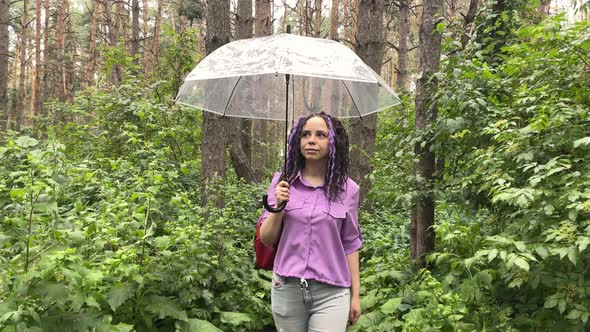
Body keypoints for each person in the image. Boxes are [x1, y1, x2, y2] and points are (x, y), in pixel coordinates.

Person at [259, 112, 362, 332]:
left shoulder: (349, 189)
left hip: (332, 292)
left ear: (334, 143)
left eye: (320, 135)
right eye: (306, 134)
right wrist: (278, 205)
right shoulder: (282, 182)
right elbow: (267, 239)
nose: (311, 140)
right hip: (287, 288)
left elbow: (350, 243)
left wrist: (356, 295)